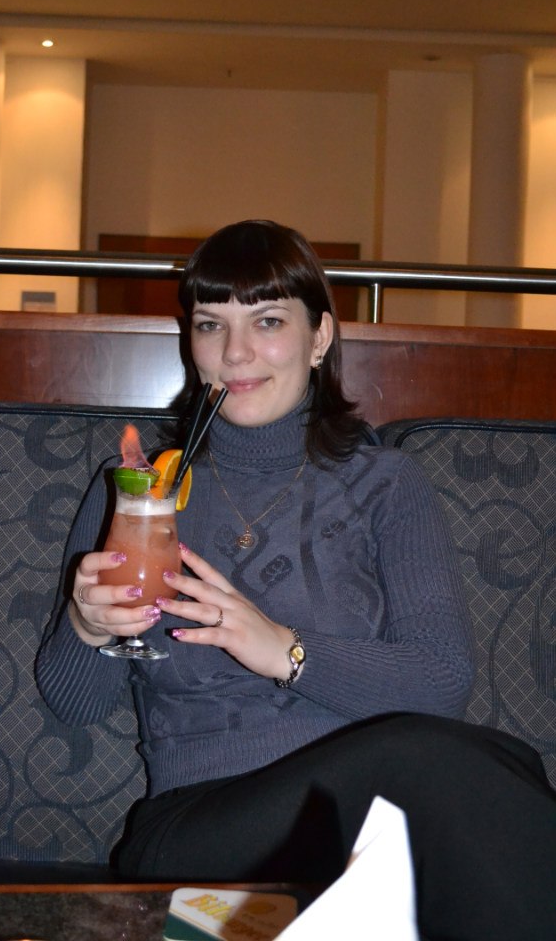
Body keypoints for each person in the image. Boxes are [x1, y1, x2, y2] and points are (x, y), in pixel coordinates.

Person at [36, 219, 556, 940]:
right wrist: (87, 626)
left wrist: (283, 648)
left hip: (366, 829)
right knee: (469, 766)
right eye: (211, 324)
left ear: (319, 338)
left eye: (268, 321)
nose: (235, 352)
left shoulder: (387, 486)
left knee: (473, 773)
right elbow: (73, 705)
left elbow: (441, 681)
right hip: (197, 831)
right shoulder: (139, 489)